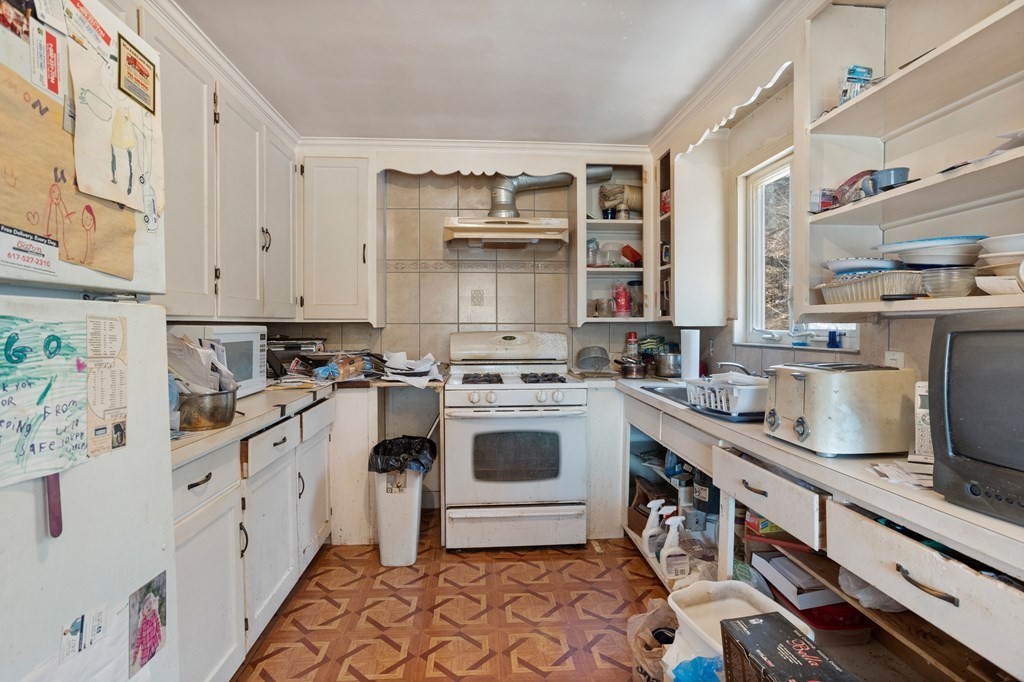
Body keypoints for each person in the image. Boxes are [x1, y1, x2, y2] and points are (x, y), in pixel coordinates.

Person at [131, 592, 162, 671]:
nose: (149, 607)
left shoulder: (154, 614)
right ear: (143, 609)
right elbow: (138, 641)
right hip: (145, 651)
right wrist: (135, 656)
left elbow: (158, 624)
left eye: (150, 604)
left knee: (153, 666)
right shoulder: (142, 624)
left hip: (153, 646)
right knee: (147, 669)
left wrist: (160, 634)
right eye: (147, 606)